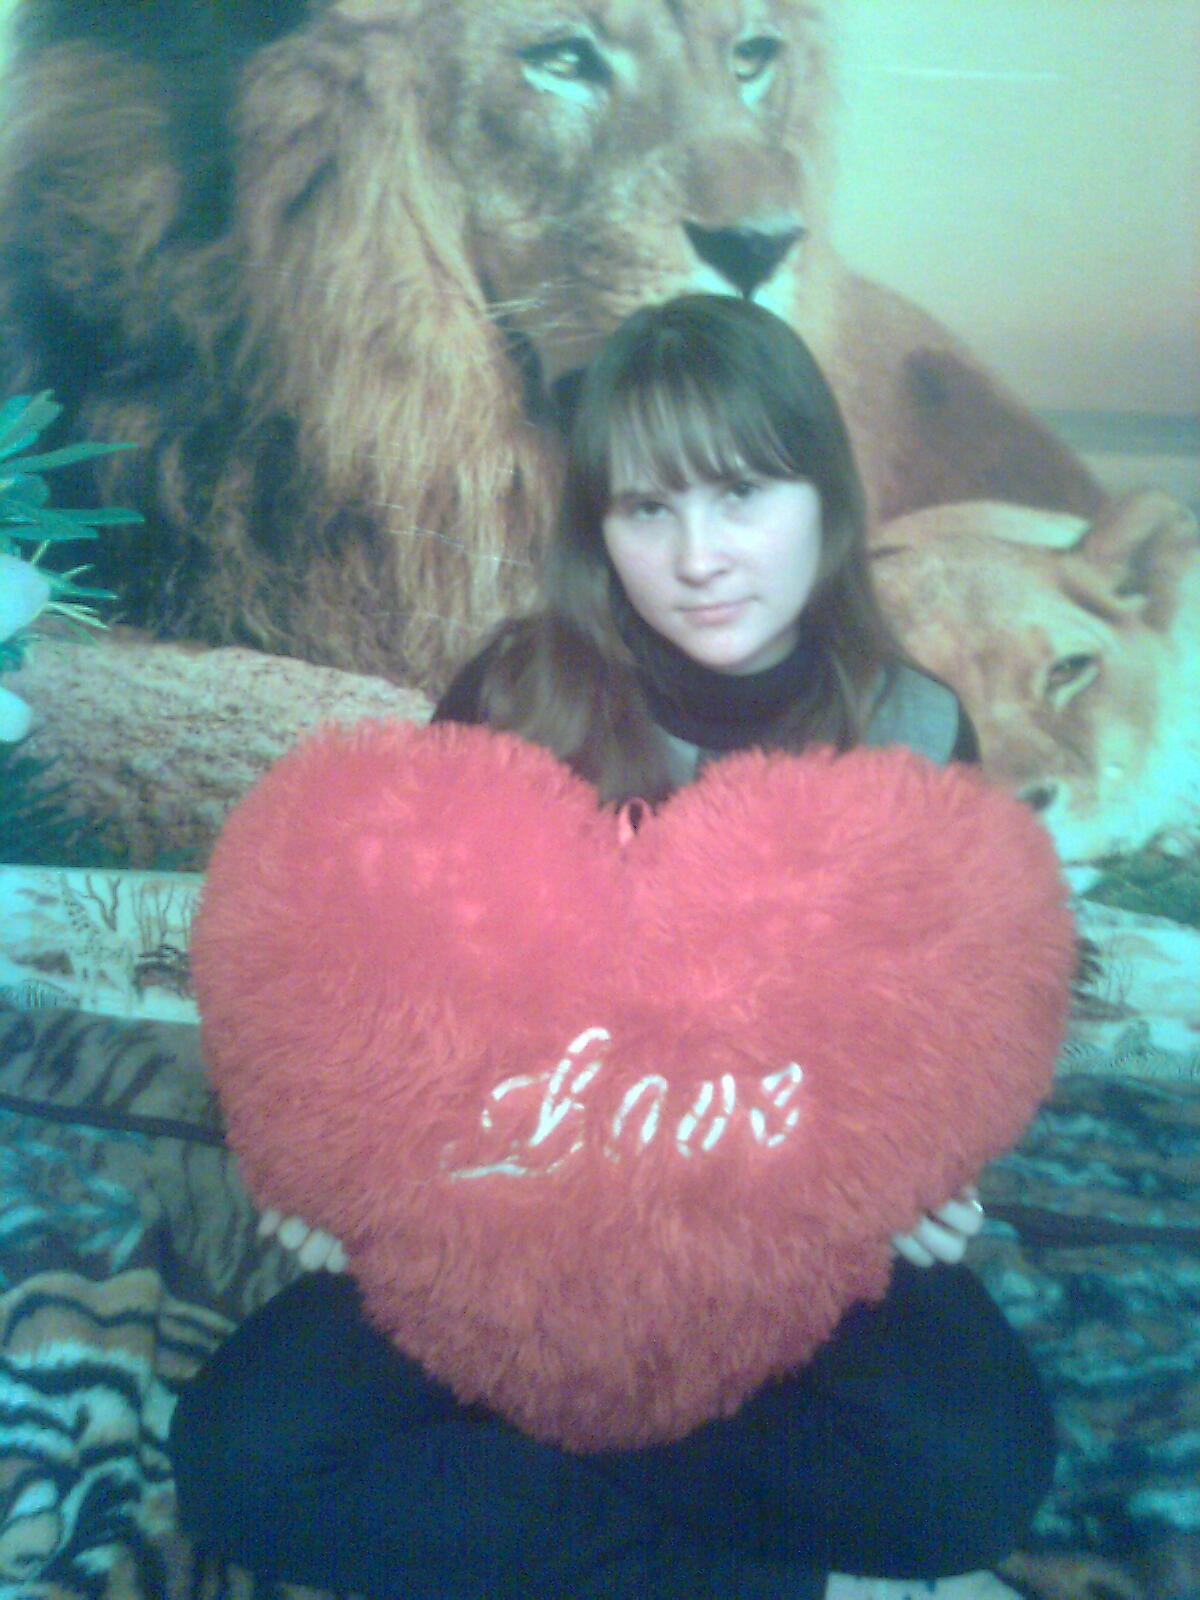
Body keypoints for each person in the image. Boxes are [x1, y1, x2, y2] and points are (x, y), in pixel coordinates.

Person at [170, 295, 1055, 1600]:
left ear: (824, 501)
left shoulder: (911, 728)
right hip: (518, 1205)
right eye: (648, 509)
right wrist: (340, 1171)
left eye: (741, 494)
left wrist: (932, 1175)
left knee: (974, 1477)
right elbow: (391, 982)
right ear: (601, 530)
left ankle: (582, 1449)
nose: (699, 557)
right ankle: (679, 1535)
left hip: (776, 1231)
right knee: (239, 1461)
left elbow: (937, 1016)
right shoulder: (514, 692)